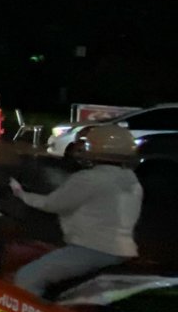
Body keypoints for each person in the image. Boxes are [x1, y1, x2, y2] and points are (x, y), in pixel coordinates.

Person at [8, 125, 142, 297]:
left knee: (26, 278)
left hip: (92, 249)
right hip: (123, 251)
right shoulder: (132, 180)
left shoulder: (90, 178)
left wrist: (22, 194)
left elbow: (53, 204)